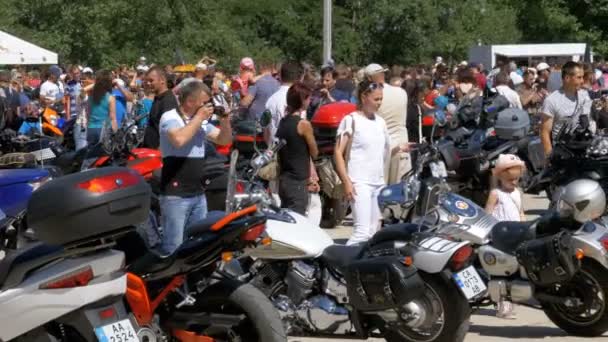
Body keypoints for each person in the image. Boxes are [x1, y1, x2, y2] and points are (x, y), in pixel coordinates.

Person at [158, 81, 232, 256]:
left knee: (198, 246)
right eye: (204, 102)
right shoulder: (170, 117)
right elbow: (179, 140)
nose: (208, 107)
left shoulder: (200, 122)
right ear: (190, 101)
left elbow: (224, 140)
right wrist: (199, 118)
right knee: (173, 247)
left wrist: (225, 120)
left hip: (198, 194)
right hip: (176, 196)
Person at [335, 79, 411, 245]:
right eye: (376, 99)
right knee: (361, 232)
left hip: (378, 183)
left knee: (373, 232)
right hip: (358, 182)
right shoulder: (351, 120)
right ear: (364, 97)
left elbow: (382, 151)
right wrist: (346, 181)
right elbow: (338, 153)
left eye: (381, 99)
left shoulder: (380, 122)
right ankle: (343, 265)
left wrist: (400, 148)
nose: (379, 103)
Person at [485, 153, 525, 319]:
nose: (514, 182)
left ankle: (511, 300)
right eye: (510, 179)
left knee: (514, 269)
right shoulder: (496, 194)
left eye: (516, 179)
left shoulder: (518, 192)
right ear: (500, 176)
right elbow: (488, 213)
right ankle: (501, 304)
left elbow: (521, 211)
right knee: (500, 271)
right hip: (500, 236)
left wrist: (525, 227)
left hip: (516, 235)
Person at [275, 82, 319, 215]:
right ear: (302, 100)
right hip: (298, 181)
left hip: (284, 180)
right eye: (308, 98)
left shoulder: (283, 122)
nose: (310, 101)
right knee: (298, 220)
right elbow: (314, 152)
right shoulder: (303, 124)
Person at [364, 63, 410, 185]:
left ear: (368, 78)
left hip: (381, 146)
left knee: (379, 190)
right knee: (400, 190)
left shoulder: (372, 97)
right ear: (383, 74)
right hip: (402, 142)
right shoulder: (401, 92)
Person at [540, 61, 592, 156]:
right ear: (567, 78)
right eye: (579, 77)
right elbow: (545, 131)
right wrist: (549, 156)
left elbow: (586, 122)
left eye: (582, 77)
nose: (582, 81)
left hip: (583, 149)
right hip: (562, 153)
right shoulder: (552, 100)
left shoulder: (584, 95)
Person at [265, 61, 304, 144]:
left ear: (280, 76)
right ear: (301, 78)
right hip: (295, 151)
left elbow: (266, 132)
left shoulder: (271, 100)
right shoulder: (300, 98)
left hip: (274, 150)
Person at [142, 66, 179, 149]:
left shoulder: (168, 101)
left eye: (151, 80)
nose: (148, 83)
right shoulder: (158, 98)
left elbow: (170, 130)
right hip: (150, 149)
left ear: (162, 80)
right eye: (147, 81)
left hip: (158, 153)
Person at [87, 70, 117, 145]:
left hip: (91, 129)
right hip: (103, 130)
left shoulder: (91, 97)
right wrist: (116, 133)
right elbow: (113, 118)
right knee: (104, 156)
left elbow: (88, 114)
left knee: (91, 154)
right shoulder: (110, 98)